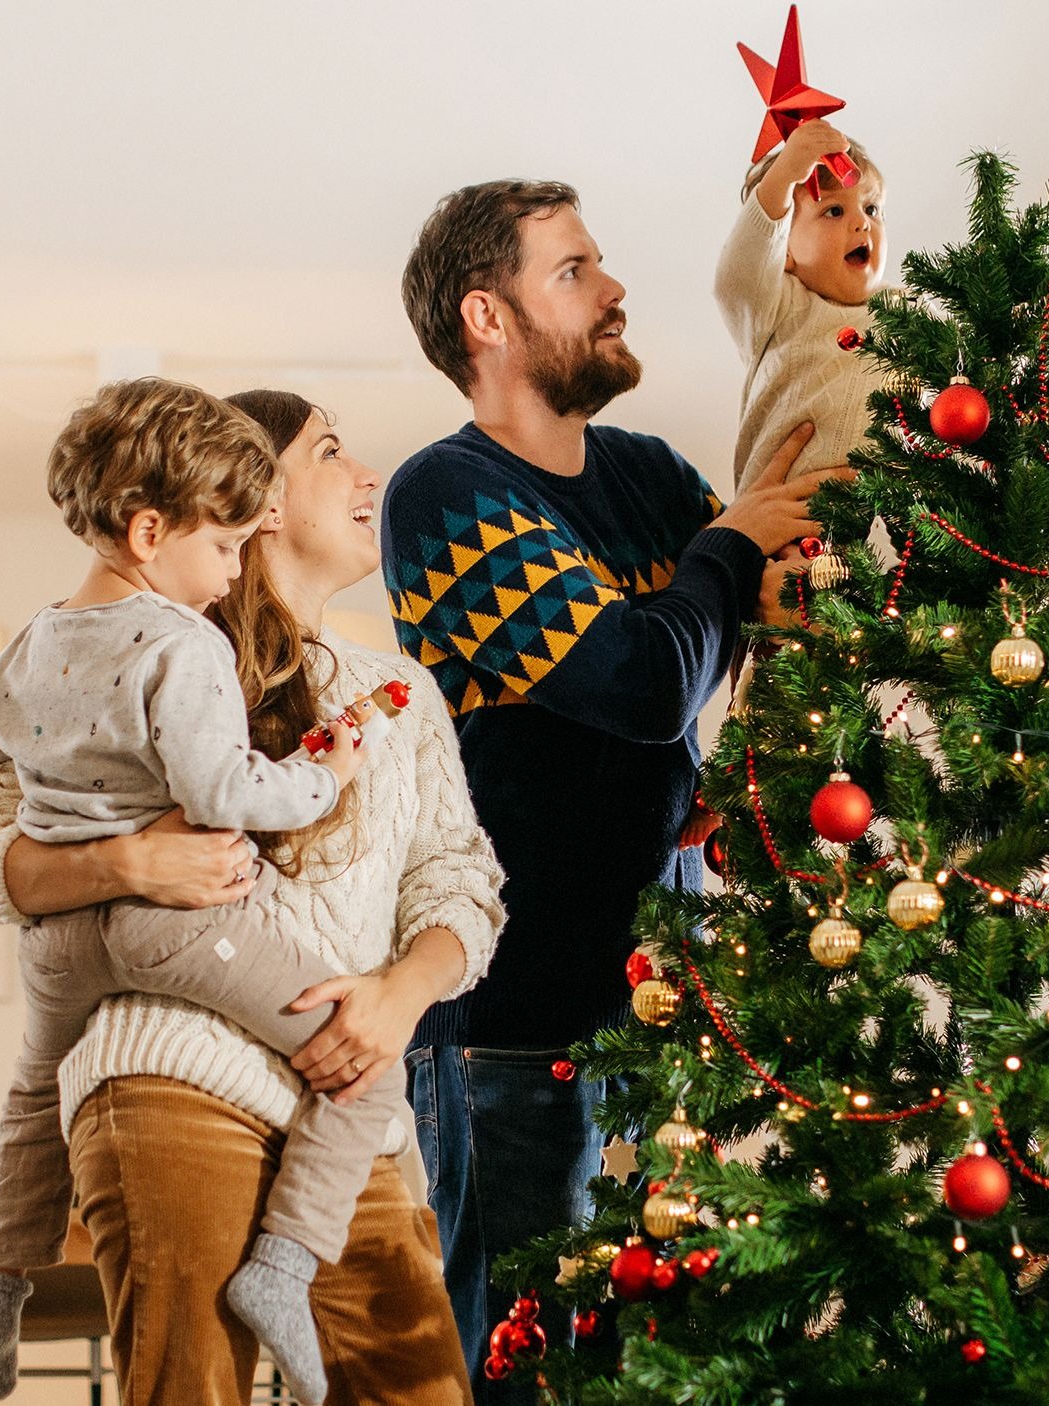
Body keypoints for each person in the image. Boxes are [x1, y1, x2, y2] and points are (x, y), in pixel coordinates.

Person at [0, 389, 494, 1406]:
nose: (371, 474)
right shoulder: (144, 653)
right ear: (263, 500)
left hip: (344, 1096)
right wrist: (125, 867)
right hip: (166, 1080)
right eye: (333, 451)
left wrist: (399, 995)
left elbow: (460, 881)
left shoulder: (397, 693)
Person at [384, 178, 838, 1399]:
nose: (616, 286)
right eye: (575, 270)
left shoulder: (648, 475)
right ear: (489, 317)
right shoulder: (444, 496)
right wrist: (728, 545)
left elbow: (760, 632)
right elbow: (643, 680)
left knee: (680, 1367)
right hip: (516, 1030)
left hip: (678, 1017)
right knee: (538, 1367)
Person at [717, 118, 889, 491]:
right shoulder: (778, 305)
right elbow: (739, 272)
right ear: (785, 250)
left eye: (872, 209)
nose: (862, 223)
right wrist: (785, 175)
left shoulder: (906, 310)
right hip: (775, 521)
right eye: (834, 211)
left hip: (877, 523)